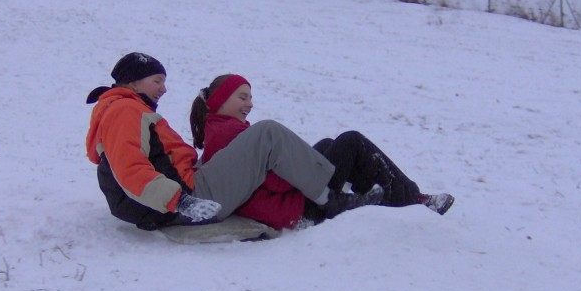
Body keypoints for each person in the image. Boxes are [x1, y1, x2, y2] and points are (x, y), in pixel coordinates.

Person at [86, 53, 380, 231]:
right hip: (189, 198)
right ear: (133, 82)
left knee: (301, 142)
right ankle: (329, 199)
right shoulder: (124, 110)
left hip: (185, 193)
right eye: (157, 81)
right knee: (268, 132)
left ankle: (349, 194)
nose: (164, 88)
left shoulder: (127, 110)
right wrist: (181, 201)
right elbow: (129, 167)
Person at [190, 74, 454, 231]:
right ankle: (414, 199)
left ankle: (386, 197)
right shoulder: (230, 134)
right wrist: (304, 171)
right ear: (220, 100)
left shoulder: (221, 131)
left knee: (329, 145)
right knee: (351, 143)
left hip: (285, 203)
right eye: (242, 97)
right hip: (295, 209)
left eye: (250, 97)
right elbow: (274, 182)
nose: (250, 104)